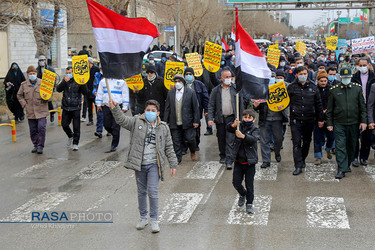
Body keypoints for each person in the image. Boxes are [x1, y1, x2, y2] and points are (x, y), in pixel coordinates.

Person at [109, 99, 177, 233]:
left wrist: (173, 164)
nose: (150, 113)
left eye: (153, 111)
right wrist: (115, 108)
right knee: (141, 192)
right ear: (144, 111)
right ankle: (143, 217)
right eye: (148, 110)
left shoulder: (163, 127)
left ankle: (154, 220)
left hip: (154, 164)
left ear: (158, 113)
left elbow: (169, 147)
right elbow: (122, 120)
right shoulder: (136, 122)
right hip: (139, 164)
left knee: (153, 191)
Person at [327, 67, 367, 179]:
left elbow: (362, 107)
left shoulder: (357, 89)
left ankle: (346, 165)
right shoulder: (334, 90)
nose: (346, 79)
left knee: (351, 146)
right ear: (340, 78)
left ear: (351, 77)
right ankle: (341, 168)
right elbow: (329, 109)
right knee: (340, 146)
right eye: (343, 77)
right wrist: (329, 123)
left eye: (347, 77)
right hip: (339, 123)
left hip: (354, 123)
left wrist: (363, 121)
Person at [287, 66, 324, 175]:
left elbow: (318, 104)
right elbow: (285, 101)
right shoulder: (291, 87)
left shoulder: (313, 87)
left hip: (309, 119)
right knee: (296, 142)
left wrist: (320, 119)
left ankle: (303, 158)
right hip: (296, 119)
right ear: (297, 75)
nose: (303, 75)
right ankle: (298, 165)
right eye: (301, 74)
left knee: (307, 142)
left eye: (305, 73)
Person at [208, 68, 243, 169]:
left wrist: (239, 119)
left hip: (232, 119)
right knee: (221, 138)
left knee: (230, 139)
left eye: (230, 77)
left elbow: (240, 105)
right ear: (222, 78)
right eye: (226, 77)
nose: (229, 79)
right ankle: (222, 155)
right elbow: (211, 105)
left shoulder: (236, 89)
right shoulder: (216, 90)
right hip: (220, 119)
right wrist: (210, 118)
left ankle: (229, 160)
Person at [227, 109, 259, 214]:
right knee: (236, 182)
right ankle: (242, 194)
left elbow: (254, 139)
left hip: (249, 163)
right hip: (238, 162)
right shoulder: (238, 127)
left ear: (253, 119)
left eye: (249, 118)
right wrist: (233, 125)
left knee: (249, 184)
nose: (247, 119)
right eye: (245, 117)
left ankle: (249, 203)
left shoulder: (255, 129)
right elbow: (228, 128)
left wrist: (243, 136)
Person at [164, 74, 200, 163]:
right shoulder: (170, 93)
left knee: (190, 138)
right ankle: (178, 158)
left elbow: (195, 108)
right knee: (176, 141)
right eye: (175, 82)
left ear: (183, 83)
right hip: (174, 121)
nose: (177, 83)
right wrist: (166, 121)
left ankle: (193, 150)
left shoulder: (190, 92)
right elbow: (167, 108)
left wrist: (196, 121)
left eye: (179, 81)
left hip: (188, 121)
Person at [17, 66, 50, 154]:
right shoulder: (24, 85)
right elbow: (19, 95)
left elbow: (50, 95)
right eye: (30, 74)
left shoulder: (43, 83)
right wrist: (24, 104)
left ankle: (40, 146)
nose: (32, 75)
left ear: (36, 74)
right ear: (28, 74)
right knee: (33, 130)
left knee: (41, 128)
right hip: (30, 111)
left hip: (41, 110)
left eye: (34, 73)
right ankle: (35, 144)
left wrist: (47, 97)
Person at [56, 67, 88, 151]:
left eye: (70, 72)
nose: (69, 74)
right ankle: (70, 135)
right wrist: (63, 82)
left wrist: (83, 83)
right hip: (66, 107)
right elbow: (58, 89)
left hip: (76, 107)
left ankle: (75, 143)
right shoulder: (65, 81)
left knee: (76, 126)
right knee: (64, 124)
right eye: (67, 72)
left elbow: (85, 92)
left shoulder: (78, 80)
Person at [351, 57, 375, 166]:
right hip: (357, 108)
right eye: (360, 65)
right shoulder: (354, 78)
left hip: (370, 108)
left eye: (364, 65)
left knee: (367, 136)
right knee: (355, 134)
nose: (362, 67)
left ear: (369, 65)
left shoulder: (373, 77)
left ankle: (363, 157)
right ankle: (354, 157)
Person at [95, 78, 129, 152]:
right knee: (106, 124)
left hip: (117, 106)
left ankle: (114, 144)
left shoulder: (121, 82)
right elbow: (100, 93)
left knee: (116, 125)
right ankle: (114, 133)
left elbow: (125, 94)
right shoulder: (103, 81)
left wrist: (125, 106)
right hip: (107, 106)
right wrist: (98, 104)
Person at [184, 67, 209, 151]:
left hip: (197, 111)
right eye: (186, 74)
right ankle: (185, 146)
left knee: (196, 129)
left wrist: (206, 109)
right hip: (185, 111)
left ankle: (196, 144)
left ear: (193, 75)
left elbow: (205, 98)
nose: (188, 76)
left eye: (190, 74)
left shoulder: (200, 85)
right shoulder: (182, 85)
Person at [313, 70, 334, 165]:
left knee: (331, 137)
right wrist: (319, 111)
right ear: (318, 80)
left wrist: (328, 110)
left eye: (325, 81)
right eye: (321, 81)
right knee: (317, 138)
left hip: (329, 118)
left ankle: (328, 149)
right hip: (317, 118)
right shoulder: (314, 89)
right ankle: (318, 157)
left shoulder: (331, 89)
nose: (323, 83)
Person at [36, 55, 55, 123]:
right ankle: (43, 118)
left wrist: (53, 88)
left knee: (49, 102)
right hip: (40, 88)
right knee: (42, 103)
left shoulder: (50, 69)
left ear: (45, 60)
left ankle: (52, 113)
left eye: (43, 60)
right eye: (40, 60)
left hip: (48, 88)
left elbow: (54, 79)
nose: (42, 62)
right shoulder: (37, 70)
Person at [81, 57, 100, 125]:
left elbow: (98, 80)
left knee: (97, 106)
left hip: (94, 90)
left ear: (89, 62)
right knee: (89, 106)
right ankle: (90, 120)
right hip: (87, 90)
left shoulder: (96, 69)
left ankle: (99, 121)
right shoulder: (85, 70)